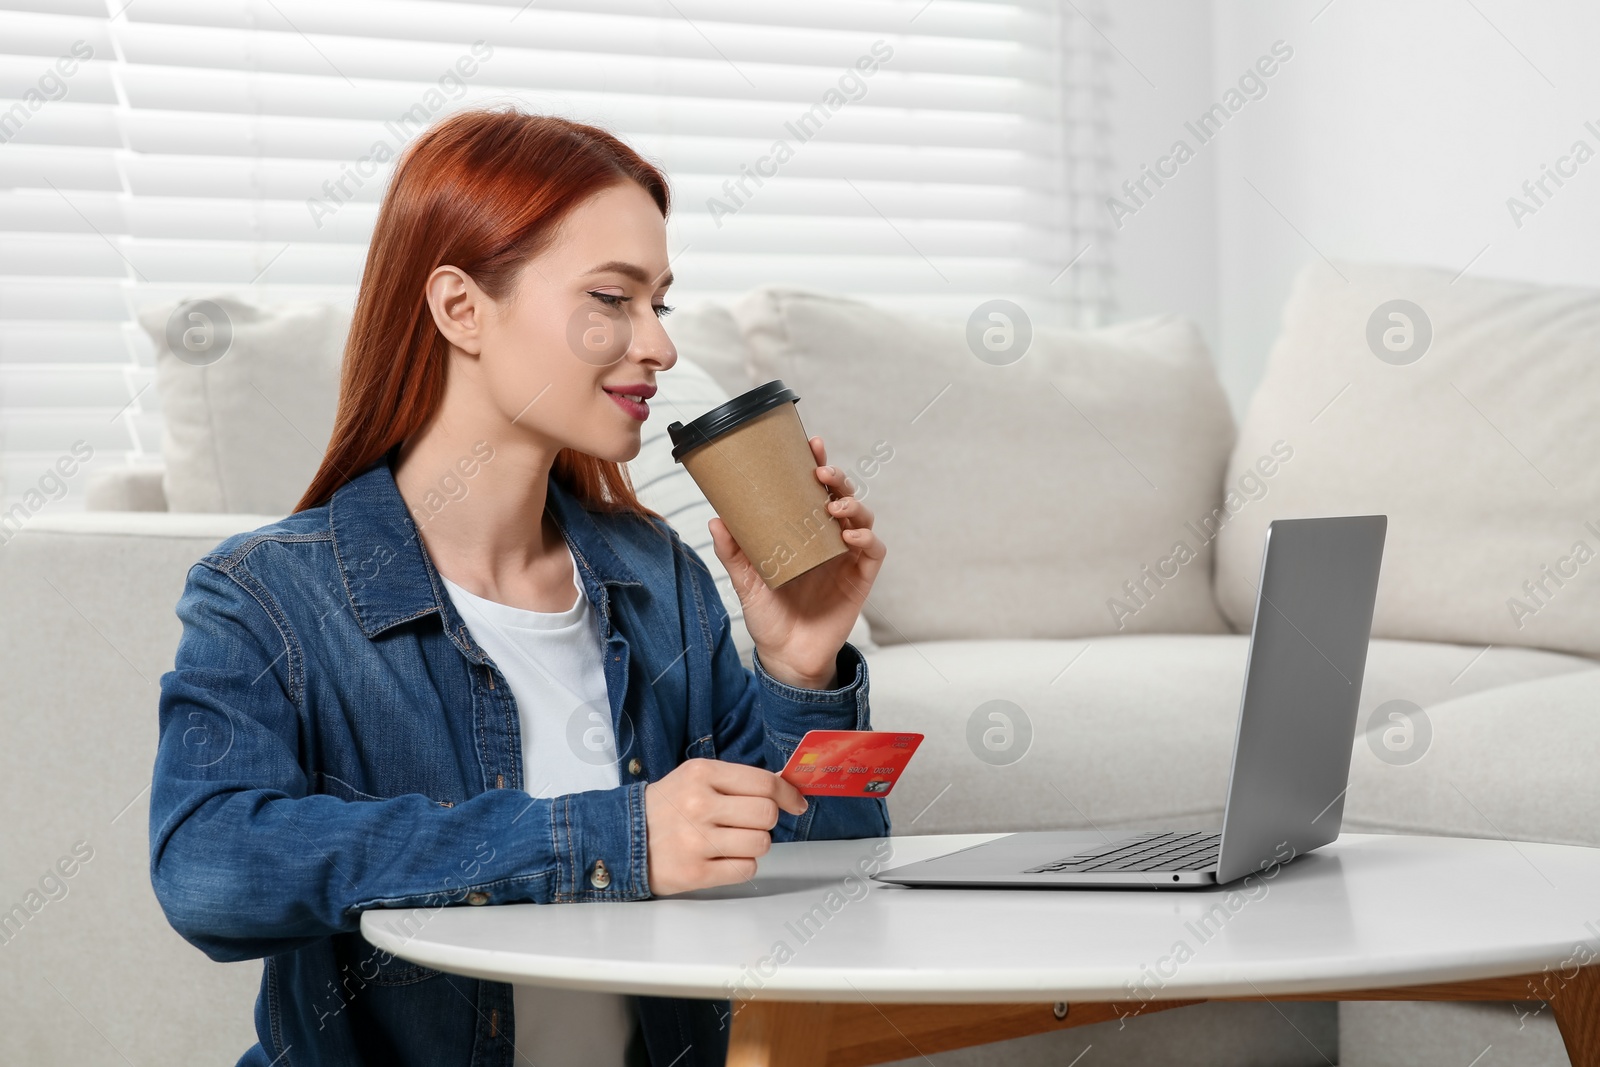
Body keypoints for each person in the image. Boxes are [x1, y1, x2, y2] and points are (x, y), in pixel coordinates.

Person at [148, 108, 889, 1067]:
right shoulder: (270, 596)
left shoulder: (659, 577)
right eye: (612, 299)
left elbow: (828, 897)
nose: (658, 346)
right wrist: (610, 836)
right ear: (461, 308)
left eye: (658, 303)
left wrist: (802, 667)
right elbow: (208, 868)